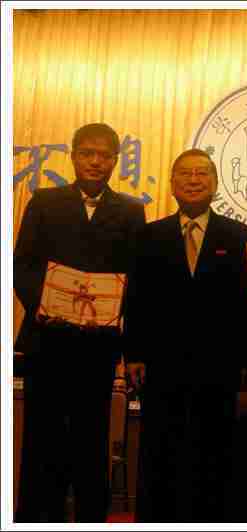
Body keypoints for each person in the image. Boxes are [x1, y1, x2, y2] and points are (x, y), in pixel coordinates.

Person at [13, 123, 146, 522]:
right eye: (87, 153)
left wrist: (129, 345)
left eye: (104, 155)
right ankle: (37, 519)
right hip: (47, 340)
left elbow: (136, 280)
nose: (95, 161)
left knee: (91, 439)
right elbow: (22, 265)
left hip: (97, 346)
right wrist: (45, 304)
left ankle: (90, 519)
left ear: (115, 161)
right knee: (41, 438)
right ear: (73, 156)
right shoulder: (44, 201)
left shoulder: (130, 211)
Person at [125, 148, 247, 522]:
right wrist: (134, 353)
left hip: (219, 364)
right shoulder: (149, 235)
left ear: (215, 182)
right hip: (161, 363)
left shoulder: (240, 236)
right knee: (159, 450)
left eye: (202, 173)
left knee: (215, 450)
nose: (194, 180)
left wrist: (246, 358)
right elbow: (136, 298)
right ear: (172, 183)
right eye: (185, 173)